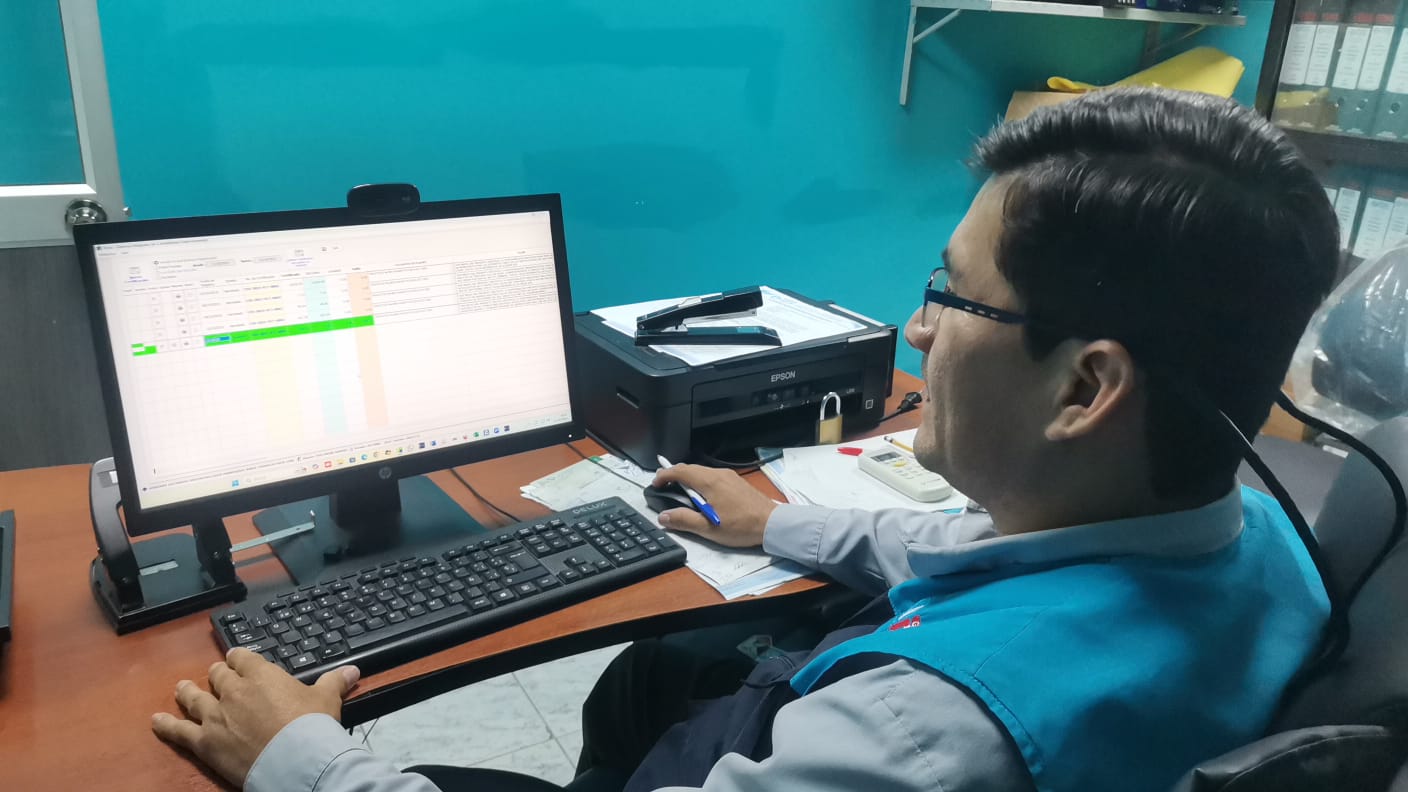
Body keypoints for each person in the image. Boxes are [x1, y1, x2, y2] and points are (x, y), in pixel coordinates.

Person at [151, 86, 1341, 792]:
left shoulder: (909, 741)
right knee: (655, 668)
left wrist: (301, 759)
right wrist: (785, 524)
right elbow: (988, 554)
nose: (920, 329)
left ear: (1084, 388)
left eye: (953, 293)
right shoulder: (1259, 530)